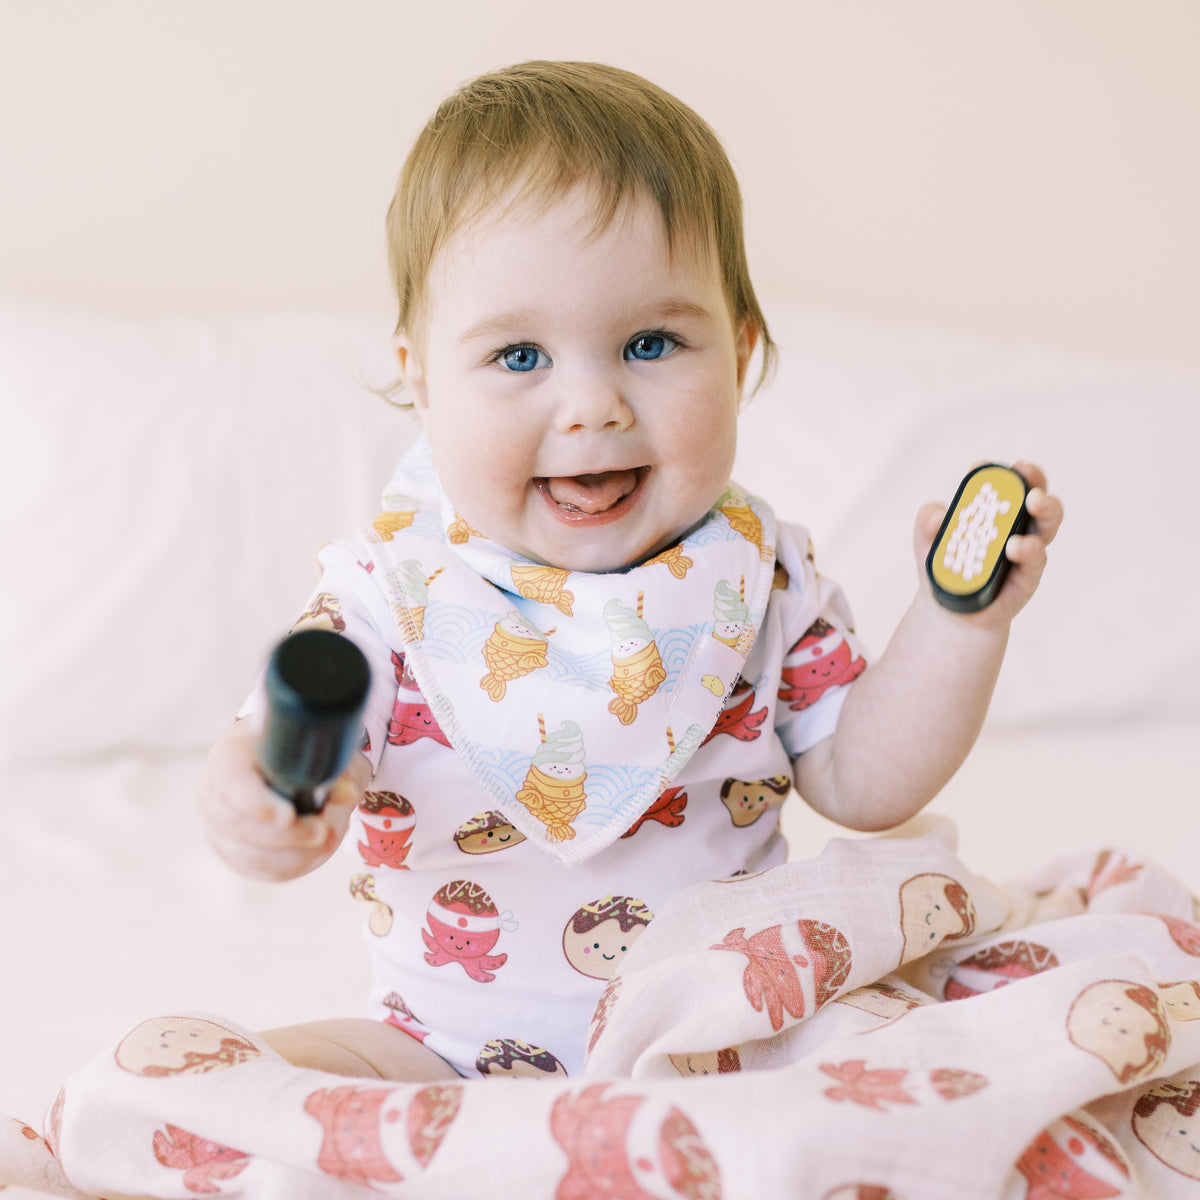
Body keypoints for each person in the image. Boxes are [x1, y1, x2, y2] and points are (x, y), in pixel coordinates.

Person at [201, 60, 1063, 1085]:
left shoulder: (760, 579)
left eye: (650, 342)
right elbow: (283, 755)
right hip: (438, 1055)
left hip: (725, 1034)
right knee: (224, 1081)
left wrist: (959, 625)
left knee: (919, 1074)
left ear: (740, 356)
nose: (591, 405)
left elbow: (865, 783)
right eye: (519, 357)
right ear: (421, 380)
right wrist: (262, 806)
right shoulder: (386, 601)